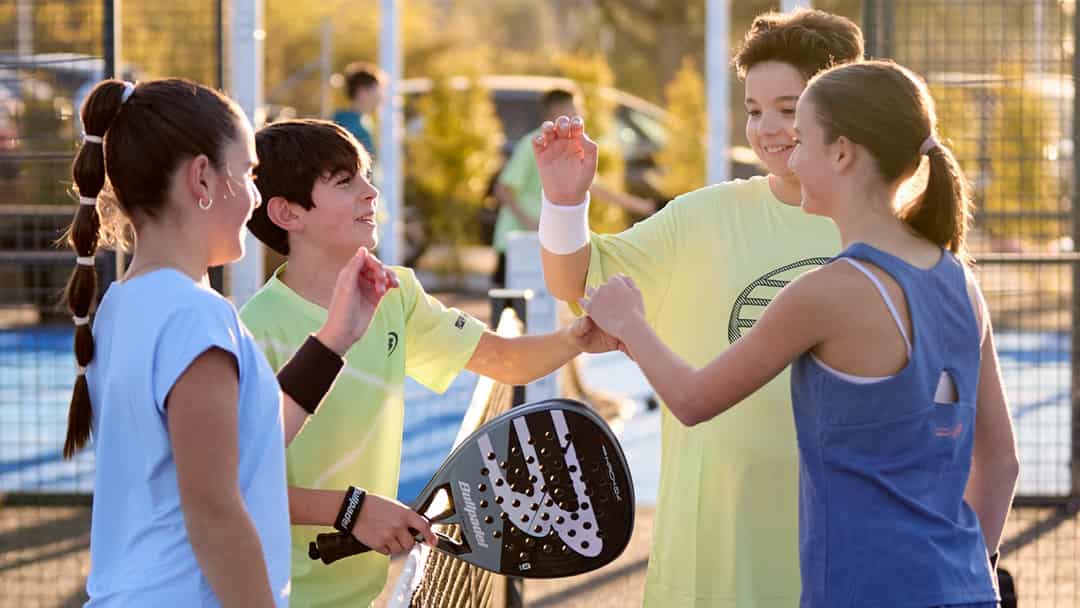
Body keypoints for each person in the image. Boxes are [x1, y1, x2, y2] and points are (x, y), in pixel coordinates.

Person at [576, 60, 1020, 608]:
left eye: (802, 140)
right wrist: (973, 568)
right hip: (967, 590)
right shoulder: (959, 279)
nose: (791, 156)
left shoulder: (828, 293)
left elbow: (692, 400)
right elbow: (1001, 461)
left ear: (842, 153)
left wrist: (629, 322)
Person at [534, 9, 864, 606]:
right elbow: (576, 281)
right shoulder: (703, 217)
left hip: (846, 552)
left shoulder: (883, 230)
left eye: (788, 109)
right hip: (712, 559)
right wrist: (564, 203)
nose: (767, 129)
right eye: (754, 110)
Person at [241, 118, 619, 607]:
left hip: (360, 592)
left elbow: (503, 360)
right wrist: (351, 510)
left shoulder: (394, 294)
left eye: (366, 176)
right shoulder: (253, 331)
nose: (371, 192)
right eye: (345, 181)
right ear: (287, 213)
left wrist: (576, 337)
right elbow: (237, 485)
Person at [62, 78, 407, 607]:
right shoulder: (194, 318)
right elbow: (215, 513)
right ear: (202, 177)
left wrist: (336, 337)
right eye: (247, 173)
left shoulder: (124, 304)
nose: (255, 197)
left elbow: (249, 447)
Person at [492, 87, 655, 287]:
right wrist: (530, 223)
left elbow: (597, 188)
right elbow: (503, 190)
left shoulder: (574, 149)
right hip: (516, 243)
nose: (581, 114)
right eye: (576, 109)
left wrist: (642, 206)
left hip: (544, 243)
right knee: (508, 300)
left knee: (545, 300)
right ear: (557, 112)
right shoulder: (533, 144)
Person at [332, 62, 384, 159]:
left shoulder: (364, 121)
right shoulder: (346, 124)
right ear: (362, 92)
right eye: (377, 90)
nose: (381, 97)